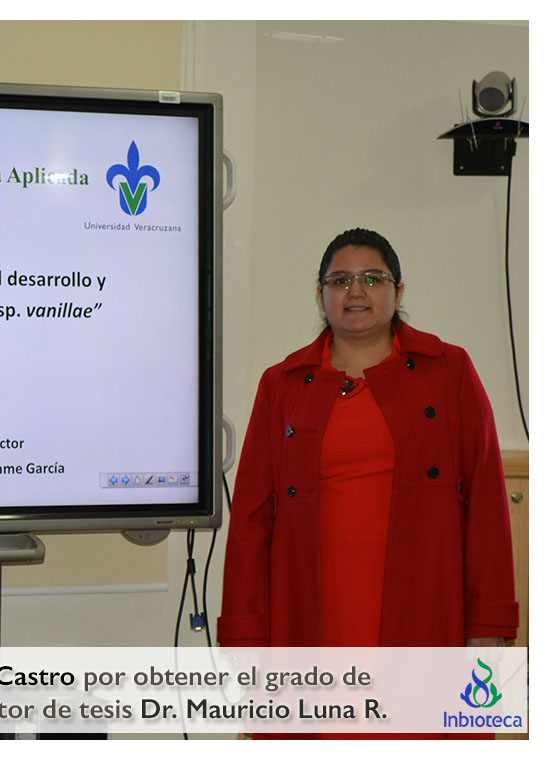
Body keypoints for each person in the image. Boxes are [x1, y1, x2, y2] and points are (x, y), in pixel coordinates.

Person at [217, 229, 518, 735]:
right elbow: (250, 520)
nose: (355, 290)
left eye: (372, 278)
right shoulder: (282, 384)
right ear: (321, 296)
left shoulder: (449, 371)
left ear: (399, 292)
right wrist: (244, 636)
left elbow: (487, 504)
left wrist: (488, 623)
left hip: (425, 608)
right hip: (308, 613)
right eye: (340, 280)